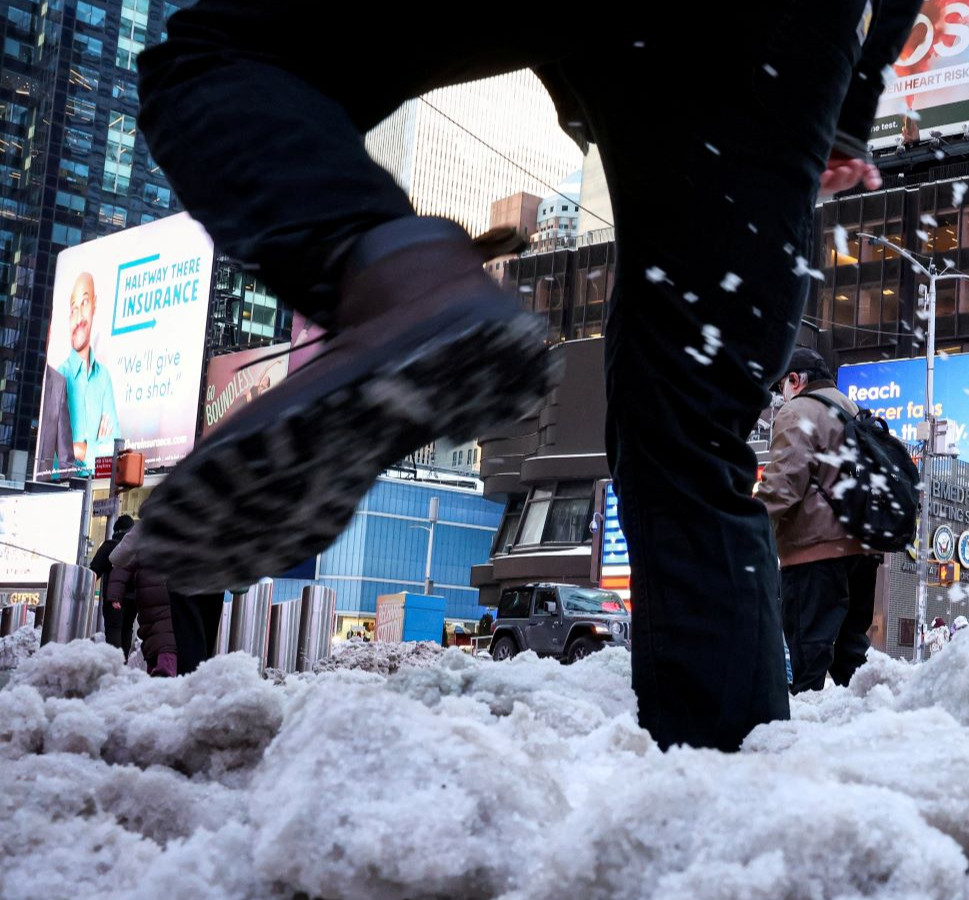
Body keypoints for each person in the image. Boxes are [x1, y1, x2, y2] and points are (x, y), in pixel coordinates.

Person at [132, 1, 920, 751]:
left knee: (222, 57)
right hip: (783, 39)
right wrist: (848, 108)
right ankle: (726, 792)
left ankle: (396, 278)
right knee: (687, 436)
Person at [755, 348, 882, 692]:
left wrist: (749, 520)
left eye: (781, 387)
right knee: (850, 656)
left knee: (809, 657)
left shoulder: (797, 411)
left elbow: (785, 483)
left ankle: (802, 739)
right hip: (862, 552)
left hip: (814, 555)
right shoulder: (854, 411)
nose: (780, 397)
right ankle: (870, 727)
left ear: (795, 380)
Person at [107, 523, 223, 677]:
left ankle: (162, 672)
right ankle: (168, 673)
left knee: (160, 637)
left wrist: (115, 595)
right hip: (180, 592)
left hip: (153, 598)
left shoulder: (158, 517)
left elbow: (119, 560)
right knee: (177, 637)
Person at [58, 272, 119, 476]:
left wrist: (82, 449)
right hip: (59, 489)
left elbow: (113, 455)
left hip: (95, 487)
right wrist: (96, 448)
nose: (78, 318)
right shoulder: (59, 377)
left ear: (94, 305)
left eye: (84, 302)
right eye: (73, 308)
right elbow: (55, 453)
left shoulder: (103, 378)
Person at [90, 515, 137, 659]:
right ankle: (123, 662)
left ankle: (115, 664)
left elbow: (93, 572)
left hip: (114, 599)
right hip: (133, 599)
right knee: (127, 629)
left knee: (114, 629)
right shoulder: (137, 548)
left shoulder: (110, 546)